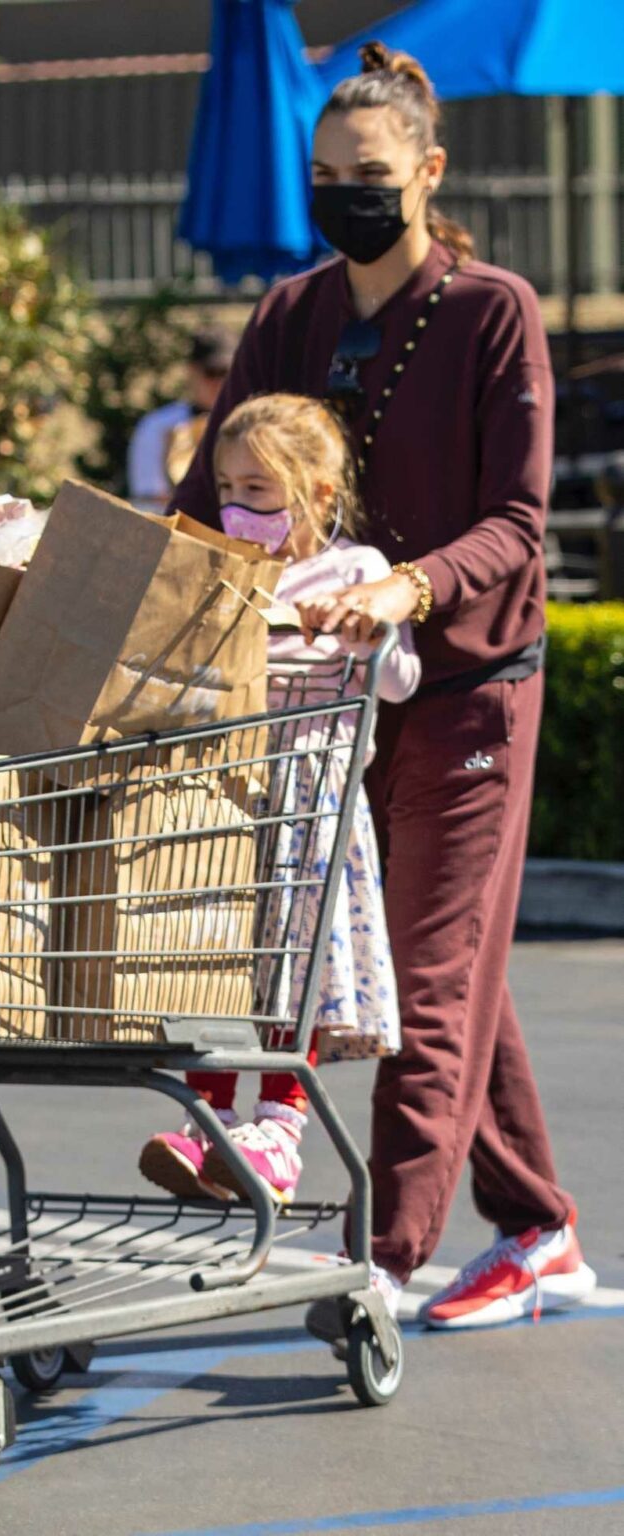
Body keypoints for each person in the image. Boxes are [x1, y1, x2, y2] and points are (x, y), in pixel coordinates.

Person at [164, 43, 596, 1329]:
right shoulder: (291, 316)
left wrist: (408, 588)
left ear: (426, 173)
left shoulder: (491, 310)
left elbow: (519, 523)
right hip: (323, 700)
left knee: (428, 971)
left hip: (464, 686)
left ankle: (386, 1255)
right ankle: (536, 1229)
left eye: (369, 174)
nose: (345, 194)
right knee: (451, 967)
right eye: (324, 174)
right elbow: (201, 507)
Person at [140, 392, 421, 1211]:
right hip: (228, 794)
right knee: (217, 962)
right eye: (229, 488)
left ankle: (276, 1132)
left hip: (308, 800)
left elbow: (399, 681)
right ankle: (211, 1121)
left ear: (318, 495)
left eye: (259, 491)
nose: (240, 507)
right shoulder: (221, 572)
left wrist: (370, 633)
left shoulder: (355, 571)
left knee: (290, 969)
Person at [126, 327, 235, 508]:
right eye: (212, 372)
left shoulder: (252, 425)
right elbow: (150, 499)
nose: (220, 382)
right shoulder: (157, 426)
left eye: (227, 373)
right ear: (191, 371)